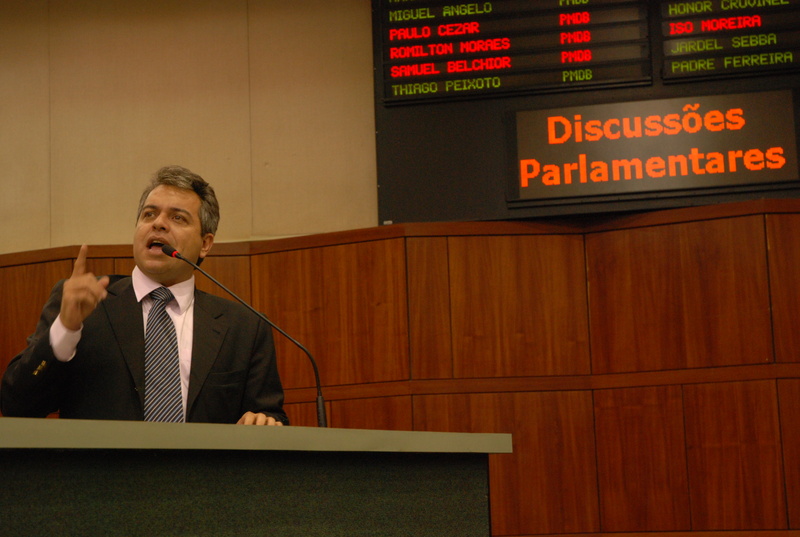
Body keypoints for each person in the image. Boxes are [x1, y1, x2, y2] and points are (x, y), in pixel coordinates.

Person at [1, 165, 288, 425]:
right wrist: (65, 329)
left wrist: (263, 421)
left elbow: (270, 417)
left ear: (205, 244)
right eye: (149, 214)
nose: (158, 223)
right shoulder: (83, 304)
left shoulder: (245, 328)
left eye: (177, 217)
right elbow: (17, 406)